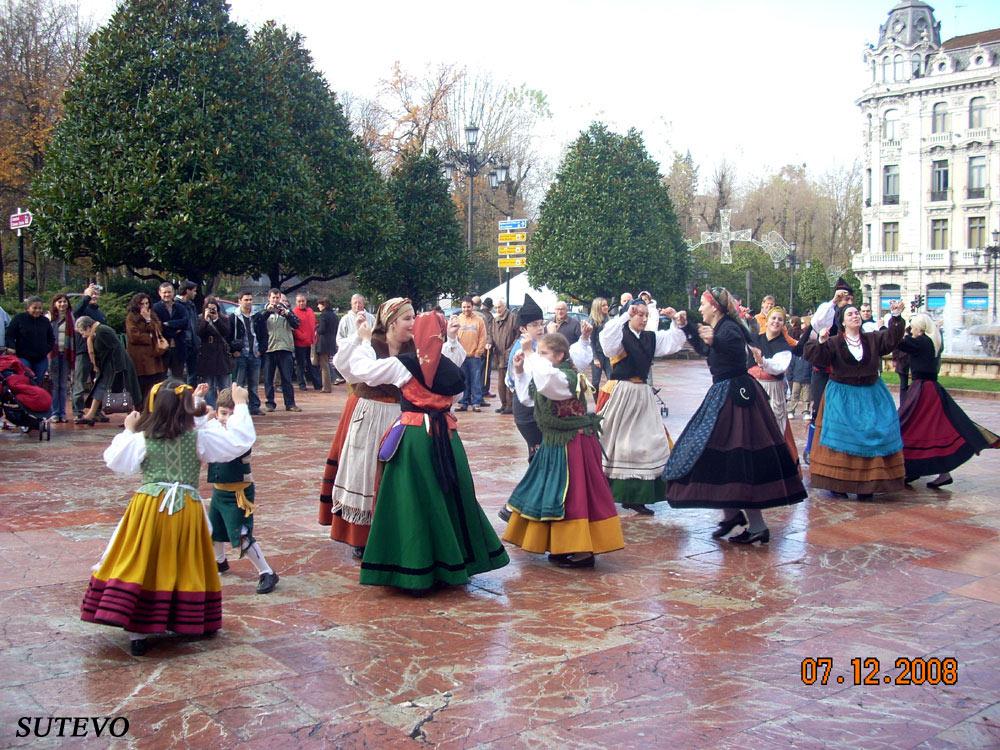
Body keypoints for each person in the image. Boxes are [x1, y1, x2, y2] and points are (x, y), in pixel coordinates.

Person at [81, 381, 255, 656]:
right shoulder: (198, 436)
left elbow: (116, 461)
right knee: (183, 560)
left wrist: (128, 430)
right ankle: (185, 619)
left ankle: (139, 629)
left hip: (148, 508)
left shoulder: (143, 437)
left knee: (145, 559)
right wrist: (241, 404)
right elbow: (237, 443)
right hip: (185, 507)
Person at [345, 310, 510, 592]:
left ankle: (414, 567)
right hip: (447, 438)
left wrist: (363, 342)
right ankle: (452, 564)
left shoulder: (403, 365)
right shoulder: (451, 368)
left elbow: (364, 373)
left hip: (414, 440)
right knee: (448, 498)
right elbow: (454, 397)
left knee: (412, 501)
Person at [665, 288, 807, 544]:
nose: (700, 308)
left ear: (715, 307)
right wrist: (687, 327)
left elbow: (732, 349)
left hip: (735, 396)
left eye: (702, 304)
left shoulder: (727, 328)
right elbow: (706, 350)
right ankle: (734, 516)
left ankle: (754, 525)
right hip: (726, 393)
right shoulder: (722, 327)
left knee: (737, 458)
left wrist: (713, 340)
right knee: (721, 455)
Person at [502, 332, 623, 568]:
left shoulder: (567, 377)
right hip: (556, 442)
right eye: (539, 354)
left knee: (576, 495)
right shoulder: (552, 375)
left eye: (544, 353)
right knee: (556, 495)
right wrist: (519, 371)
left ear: (559, 355)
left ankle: (583, 551)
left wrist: (529, 353)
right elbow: (529, 398)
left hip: (574, 444)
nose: (540, 358)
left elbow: (547, 381)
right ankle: (562, 544)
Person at [319, 298, 415, 558]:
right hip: (370, 411)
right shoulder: (372, 344)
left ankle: (394, 532)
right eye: (407, 319)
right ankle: (362, 536)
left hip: (400, 415)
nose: (412, 324)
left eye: (413, 318)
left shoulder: (414, 348)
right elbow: (349, 369)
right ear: (392, 322)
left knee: (395, 474)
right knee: (364, 470)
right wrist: (360, 338)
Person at [804, 298, 907, 499]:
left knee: (872, 433)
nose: (855, 315)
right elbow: (816, 356)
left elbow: (892, 339)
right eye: (850, 314)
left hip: (870, 393)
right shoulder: (834, 342)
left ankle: (867, 483)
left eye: (857, 313)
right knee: (841, 438)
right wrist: (821, 341)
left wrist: (895, 317)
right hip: (842, 395)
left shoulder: (872, 339)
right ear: (842, 321)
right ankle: (839, 482)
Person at [594, 298, 687, 514]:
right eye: (638, 314)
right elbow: (606, 339)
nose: (643, 318)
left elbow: (673, 342)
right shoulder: (619, 336)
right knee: (614, 444)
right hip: (622, 393)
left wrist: (677, 321)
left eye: (646, 315)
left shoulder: (649, 338)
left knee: (646, 444)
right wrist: (625, 315)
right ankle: (605, 492)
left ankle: (636, 497)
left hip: (642, 394)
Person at [897, 314, 999, 489]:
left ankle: (914, 469)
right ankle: (936, 472)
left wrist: (895, 319)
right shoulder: (935, 341)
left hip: (922, 390)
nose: (911, 330)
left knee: (908, 425)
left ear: (920, 328)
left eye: (913, 327)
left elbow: (897, 342)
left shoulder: (921, 342)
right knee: (931, 429)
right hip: (931, 389)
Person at [208, 387, 279, 594]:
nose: (226, 418)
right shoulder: (217, 428)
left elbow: (232, 440)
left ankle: (266, 571)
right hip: (219, 491)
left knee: (241, 535)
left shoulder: (242, 436)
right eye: (223, 413)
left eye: (232, 413)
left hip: (238, 494)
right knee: (215, 531)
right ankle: (219, 561)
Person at [748, 306, 800, 464]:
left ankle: (773, 467)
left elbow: (778, 367)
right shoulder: (756, 338)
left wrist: (761, 361)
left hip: (772, 390)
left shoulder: (784, 346)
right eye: (773, 318)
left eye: (780, 319)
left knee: (773, 426)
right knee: (750, 426)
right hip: (753, 387)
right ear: (767, 320)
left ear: (784, 324)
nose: (776, 322)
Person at [74, 316, 142, 425]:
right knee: (101, 387)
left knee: (125, 390)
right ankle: (91, 414)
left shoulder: (103, 331)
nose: (83, 336)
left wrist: (118, 368)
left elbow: (116, 349)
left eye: (82, 332)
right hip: (110, 366)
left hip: (117, 366)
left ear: (88, 327)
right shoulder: (98, 332)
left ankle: (133, 418)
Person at [255, 288, 301, 412]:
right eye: (273, 298)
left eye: (277, 298)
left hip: (285, 348)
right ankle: (270, 403)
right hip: (269, 348)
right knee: (268, 379)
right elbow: (256, 324)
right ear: (269, 298)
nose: (275, 300)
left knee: (287, 378)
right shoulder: (263, 312)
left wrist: (287, 314)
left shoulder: (286, 311)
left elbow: (297, 324)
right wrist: (267, 312)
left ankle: (290, 403)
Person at [124, 293, 167, 401]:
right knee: (141, 383)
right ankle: (140, 408)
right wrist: (149, 336)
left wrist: (148, 320)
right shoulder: (131, 317)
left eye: (147, 303)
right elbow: (134, 336)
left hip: (154, 355)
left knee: (155, 382)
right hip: (139, 356)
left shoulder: (152, 314)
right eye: (142, 303)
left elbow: (158, 329)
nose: (145, 306)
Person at [72, 285, 106, 420]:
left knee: (98, 382)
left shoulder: (100, 313)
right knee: (80, 382)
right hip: (83, 351)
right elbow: (75, 312)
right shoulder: (82, 309)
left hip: (99, 352)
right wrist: (86, 296)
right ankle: (78, 411)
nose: (94, 296)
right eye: (92, 294)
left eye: (96, 294)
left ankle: (96, 410)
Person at [5, 296, 55, 387]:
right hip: (24, 356)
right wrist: (12, 347)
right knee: (26, 380)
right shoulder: (19, 319)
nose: (37, 310)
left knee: (38, 381)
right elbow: (10, 335)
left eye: (40, 308)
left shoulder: (45, 321)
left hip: (41, 358)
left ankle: (36, 399)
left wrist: (46, 349)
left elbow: (51, 338)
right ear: (28, 308)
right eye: (34, 308)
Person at [229, 290, 265, 416]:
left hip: (255, 353)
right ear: (239, 301)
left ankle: (254, 406)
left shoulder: (257, 316)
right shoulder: (233, 317)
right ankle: (238, 406)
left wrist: (261, 350)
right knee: (239, 383)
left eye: (250, 300)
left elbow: (263, 334)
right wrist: (234, 351)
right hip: (241, 354)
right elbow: (229, 336)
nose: (249, 302)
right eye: (246, 300)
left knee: (254, 383)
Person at [195, 297, 232, 408]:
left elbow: (226, 332)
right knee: (209, 386)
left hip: (220, 354)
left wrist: (216, 319)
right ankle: (211, 407)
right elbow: (199, 333)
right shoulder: (200, 319)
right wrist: (205, 320)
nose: (211, 310)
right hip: (206, 355)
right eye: (209, 308)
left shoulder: (223, 318)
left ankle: (225, 407)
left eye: (213, 308)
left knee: (224, 385)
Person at [455, 296, 488, 412]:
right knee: (463, 380)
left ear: (472, 307)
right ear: (461, 307)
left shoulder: (479, 320)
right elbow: (453, 337)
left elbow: (483, 337)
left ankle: (476, 402)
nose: (466, 309)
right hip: (461, 356)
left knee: (475, 380)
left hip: (475, 356)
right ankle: (463, 402)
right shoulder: (458, 319)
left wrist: (479, 352)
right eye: (464, 307)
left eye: (468, 307)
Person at [46, 294, 75, 422]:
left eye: (64, 301)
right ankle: (54, 412)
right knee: (54, 385)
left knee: (63, 385)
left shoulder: (72, 318)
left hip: (66, 354)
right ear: (55, 304)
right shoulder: (49, 318)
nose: (62, 304)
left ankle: (62, 413)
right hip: (53, 355)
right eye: (59, 302)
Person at [152, 282, 189, 378]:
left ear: (173, 293)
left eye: (169, 292)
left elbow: (185, 323)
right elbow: (157, 327)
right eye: (164, 292)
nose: (167, 295)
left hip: (179, 348)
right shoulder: (155, 308)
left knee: (178, 379)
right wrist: (176, 329)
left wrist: (168, 323)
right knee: (161, 379)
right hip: (162, 349)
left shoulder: (180, 307)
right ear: (159, 293)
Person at [490, 299, 519, 414]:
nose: (497, 310)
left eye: (499, 307)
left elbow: (518, 335)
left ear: (505, 306)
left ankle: (510, 405)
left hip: (510, 355)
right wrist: (489, 343)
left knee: (509, 381)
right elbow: (490, 334)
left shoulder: (513, 318)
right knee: (501, 381)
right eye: (496, 308)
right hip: (499, 355)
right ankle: (504, 404)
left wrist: (511, 349)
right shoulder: (494, 320)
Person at [292, 293, 322, 391]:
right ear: (296, 302)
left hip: (310, 342)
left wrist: (313, 336)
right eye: (299, 301)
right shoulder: (294, 312)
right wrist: (303, 337)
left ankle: (317, 384)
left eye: (303, 301)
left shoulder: (310, 311)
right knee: (300, 365)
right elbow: (294, 328)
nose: (301, 303)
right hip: (300, 343)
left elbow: (314, 324)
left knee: (311, 364)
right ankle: (302, 384)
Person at [176, 280, 200, 386]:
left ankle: (191, 398)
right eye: (194, 291)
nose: (195, 293)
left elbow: (194, 324)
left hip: (192, 343)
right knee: (178, 373)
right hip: (181, 343)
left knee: (193, 374)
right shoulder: (175, 304)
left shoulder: (191, 305)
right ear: (187, 291)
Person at [315, 298, 340, 392]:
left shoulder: (323, 315)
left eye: (319, 304)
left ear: (324, 305)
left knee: (324, 365)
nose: (318, 306)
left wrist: (316, 328)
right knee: (328, 364)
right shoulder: (334, 316)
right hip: (332, 342)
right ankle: (331, 382)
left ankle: (326, 387)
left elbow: (322, 330)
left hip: (323, 343)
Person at [588, 297, 611, 388]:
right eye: (603, 305)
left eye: (606, 305)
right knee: (595, 381)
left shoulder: (608, 319)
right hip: (597, 353)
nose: (606, 307)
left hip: (608, 354)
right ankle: (597, 402)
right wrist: (595, 358)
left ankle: (611, 401)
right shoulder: (593, 321)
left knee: (612, 379)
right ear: (597, 307)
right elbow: (591, 341)